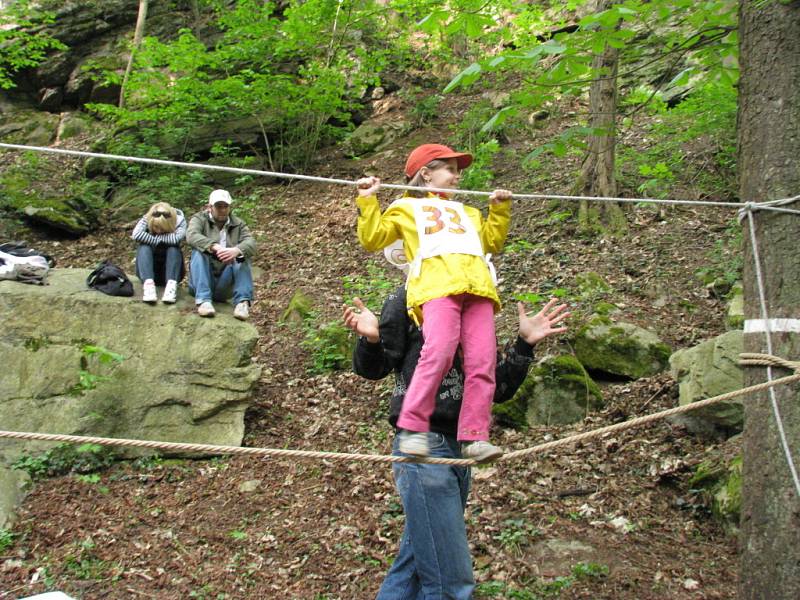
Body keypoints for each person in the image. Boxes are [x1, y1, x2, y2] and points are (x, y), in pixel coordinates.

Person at [343, 288, 569, 599]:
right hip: (422, 446)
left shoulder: (474, 298)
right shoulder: (406, 297)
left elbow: (495, 387)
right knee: (451, 581)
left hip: (460, 448)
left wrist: (524, 345)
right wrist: (370, 339)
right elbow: (375, 367)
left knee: (415, 566)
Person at [355, 143, 513, 462]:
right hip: (437, 286)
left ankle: (475, 436)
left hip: (478, 288)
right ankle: (413, 427)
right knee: (438, 352)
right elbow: (372, 238)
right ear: (426, 174)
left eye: (458, 171)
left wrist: (498, 210)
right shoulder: (405, 208)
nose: (457, 177)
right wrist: (367, 199)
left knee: (482, 362)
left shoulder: (469, 212)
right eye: (450, 170)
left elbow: (492, 242)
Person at [186, 189, 257, 320]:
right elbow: (191, 236)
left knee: (242, 257)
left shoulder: (238, 223)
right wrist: (214, 247)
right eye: (219, 206)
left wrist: (236, 250)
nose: (223, 210)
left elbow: (251, 243)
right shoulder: (199, 219)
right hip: (201, 279)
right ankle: (203, 300)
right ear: (209, 207)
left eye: (226, 206)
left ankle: (242, 302)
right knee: (198, 252)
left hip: (224, 283)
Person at [131, 202, 186, 304]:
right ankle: (148, 286)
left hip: (170, 271)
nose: (159, 231)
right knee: (144, 246)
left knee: (173, 247)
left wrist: (154, 238)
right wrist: (158, 240)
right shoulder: (147, 218)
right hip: (149, 270)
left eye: (163, 228)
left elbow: (176, 238)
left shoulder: (179, 220)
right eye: (156, 227)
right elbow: (136, 234)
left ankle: (171, 287)